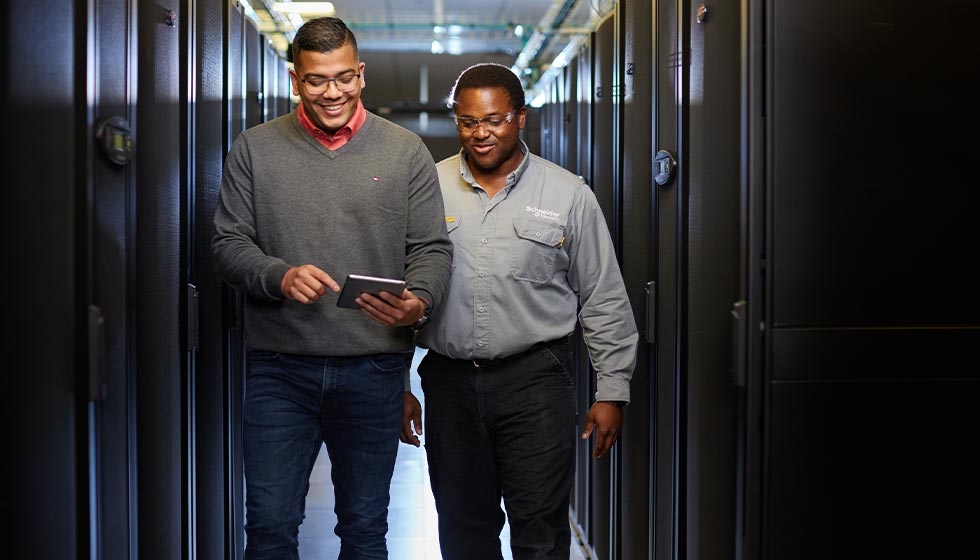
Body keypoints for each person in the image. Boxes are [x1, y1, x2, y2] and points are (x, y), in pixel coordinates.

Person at [211, 17, 452, 560]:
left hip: (374, 370)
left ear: (361, 75)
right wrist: (279, 275)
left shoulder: (405, 151)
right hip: (279, 368)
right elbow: (227, 245)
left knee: (364, 530)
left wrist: (420, 299)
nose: (332, 92)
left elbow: (433, 249)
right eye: (318, 80)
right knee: (270, 528)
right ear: (296, 79)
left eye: (344, 77)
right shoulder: (255, 148)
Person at [402, 63, 639, 560]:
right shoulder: (426, 187)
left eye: (494, 120)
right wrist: (397, 387)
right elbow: (399, 293)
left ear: (521, 118)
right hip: (449, 384)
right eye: (468, 122)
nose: (481, 133)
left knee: (540, 532)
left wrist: (612, 389)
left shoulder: (567, 194)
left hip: (535, 382)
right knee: (464, 531)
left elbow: (602, 295)